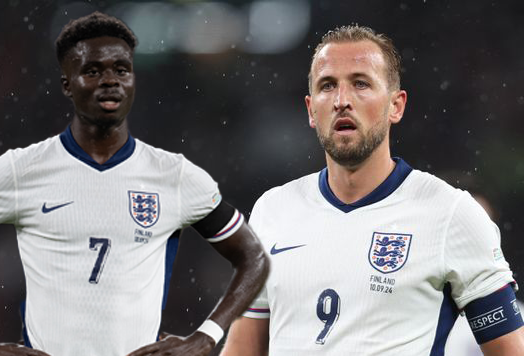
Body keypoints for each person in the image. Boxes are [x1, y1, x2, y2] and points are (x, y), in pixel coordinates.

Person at [0, 12, 268, 356]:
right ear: (66, 84)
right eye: (92, 71)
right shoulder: (20, 170)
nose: (110, 81)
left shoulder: (174, 175)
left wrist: (206, 337)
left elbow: (254, 257)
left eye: (122, 70)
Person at [220, 25, 524, 355]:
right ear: (311, 109)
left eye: (360, 83)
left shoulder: (451, 214)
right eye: (327, 86)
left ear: (396, 105)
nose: (341, 101)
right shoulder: (272, 210)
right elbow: (241, 350)